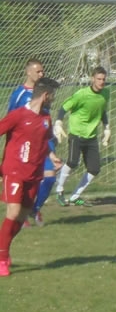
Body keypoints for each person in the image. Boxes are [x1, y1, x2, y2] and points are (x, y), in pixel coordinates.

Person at [0, 77, 61, 276]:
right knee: (13, 210)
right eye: (52, 95)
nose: (53, 99)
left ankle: (3, 245)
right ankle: (2, 260)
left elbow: (44, 143)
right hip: (15, 171)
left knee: (23, 214)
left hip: (34, 174)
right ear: (45, 95)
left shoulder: (46, 119)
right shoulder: (17, 116)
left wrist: (52, 157)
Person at [7, 59, 57, 225]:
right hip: (24, 148)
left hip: (42, 144)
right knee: (25, 181)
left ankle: (34, 209)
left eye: (42, 71)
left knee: (50, 177)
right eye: (38, 71)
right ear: (28, 72)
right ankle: (23, 213)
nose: (41, 74)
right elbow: (10, 121)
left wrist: (51, 147)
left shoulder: (44, 92)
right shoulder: (19, 94)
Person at [53, 66, 110, 206]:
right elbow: (64, 107)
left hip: (91, 136)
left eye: (103, 79)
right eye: (99, 79)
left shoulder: (106, 93)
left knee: (94, 169)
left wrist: (107, 127)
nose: (101, 82)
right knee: (72, 162)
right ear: (92, 79)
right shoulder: (82, 94)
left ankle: (75, 196)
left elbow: (102, 110)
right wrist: (59, 122)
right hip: (76, 134)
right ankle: (59, 190)